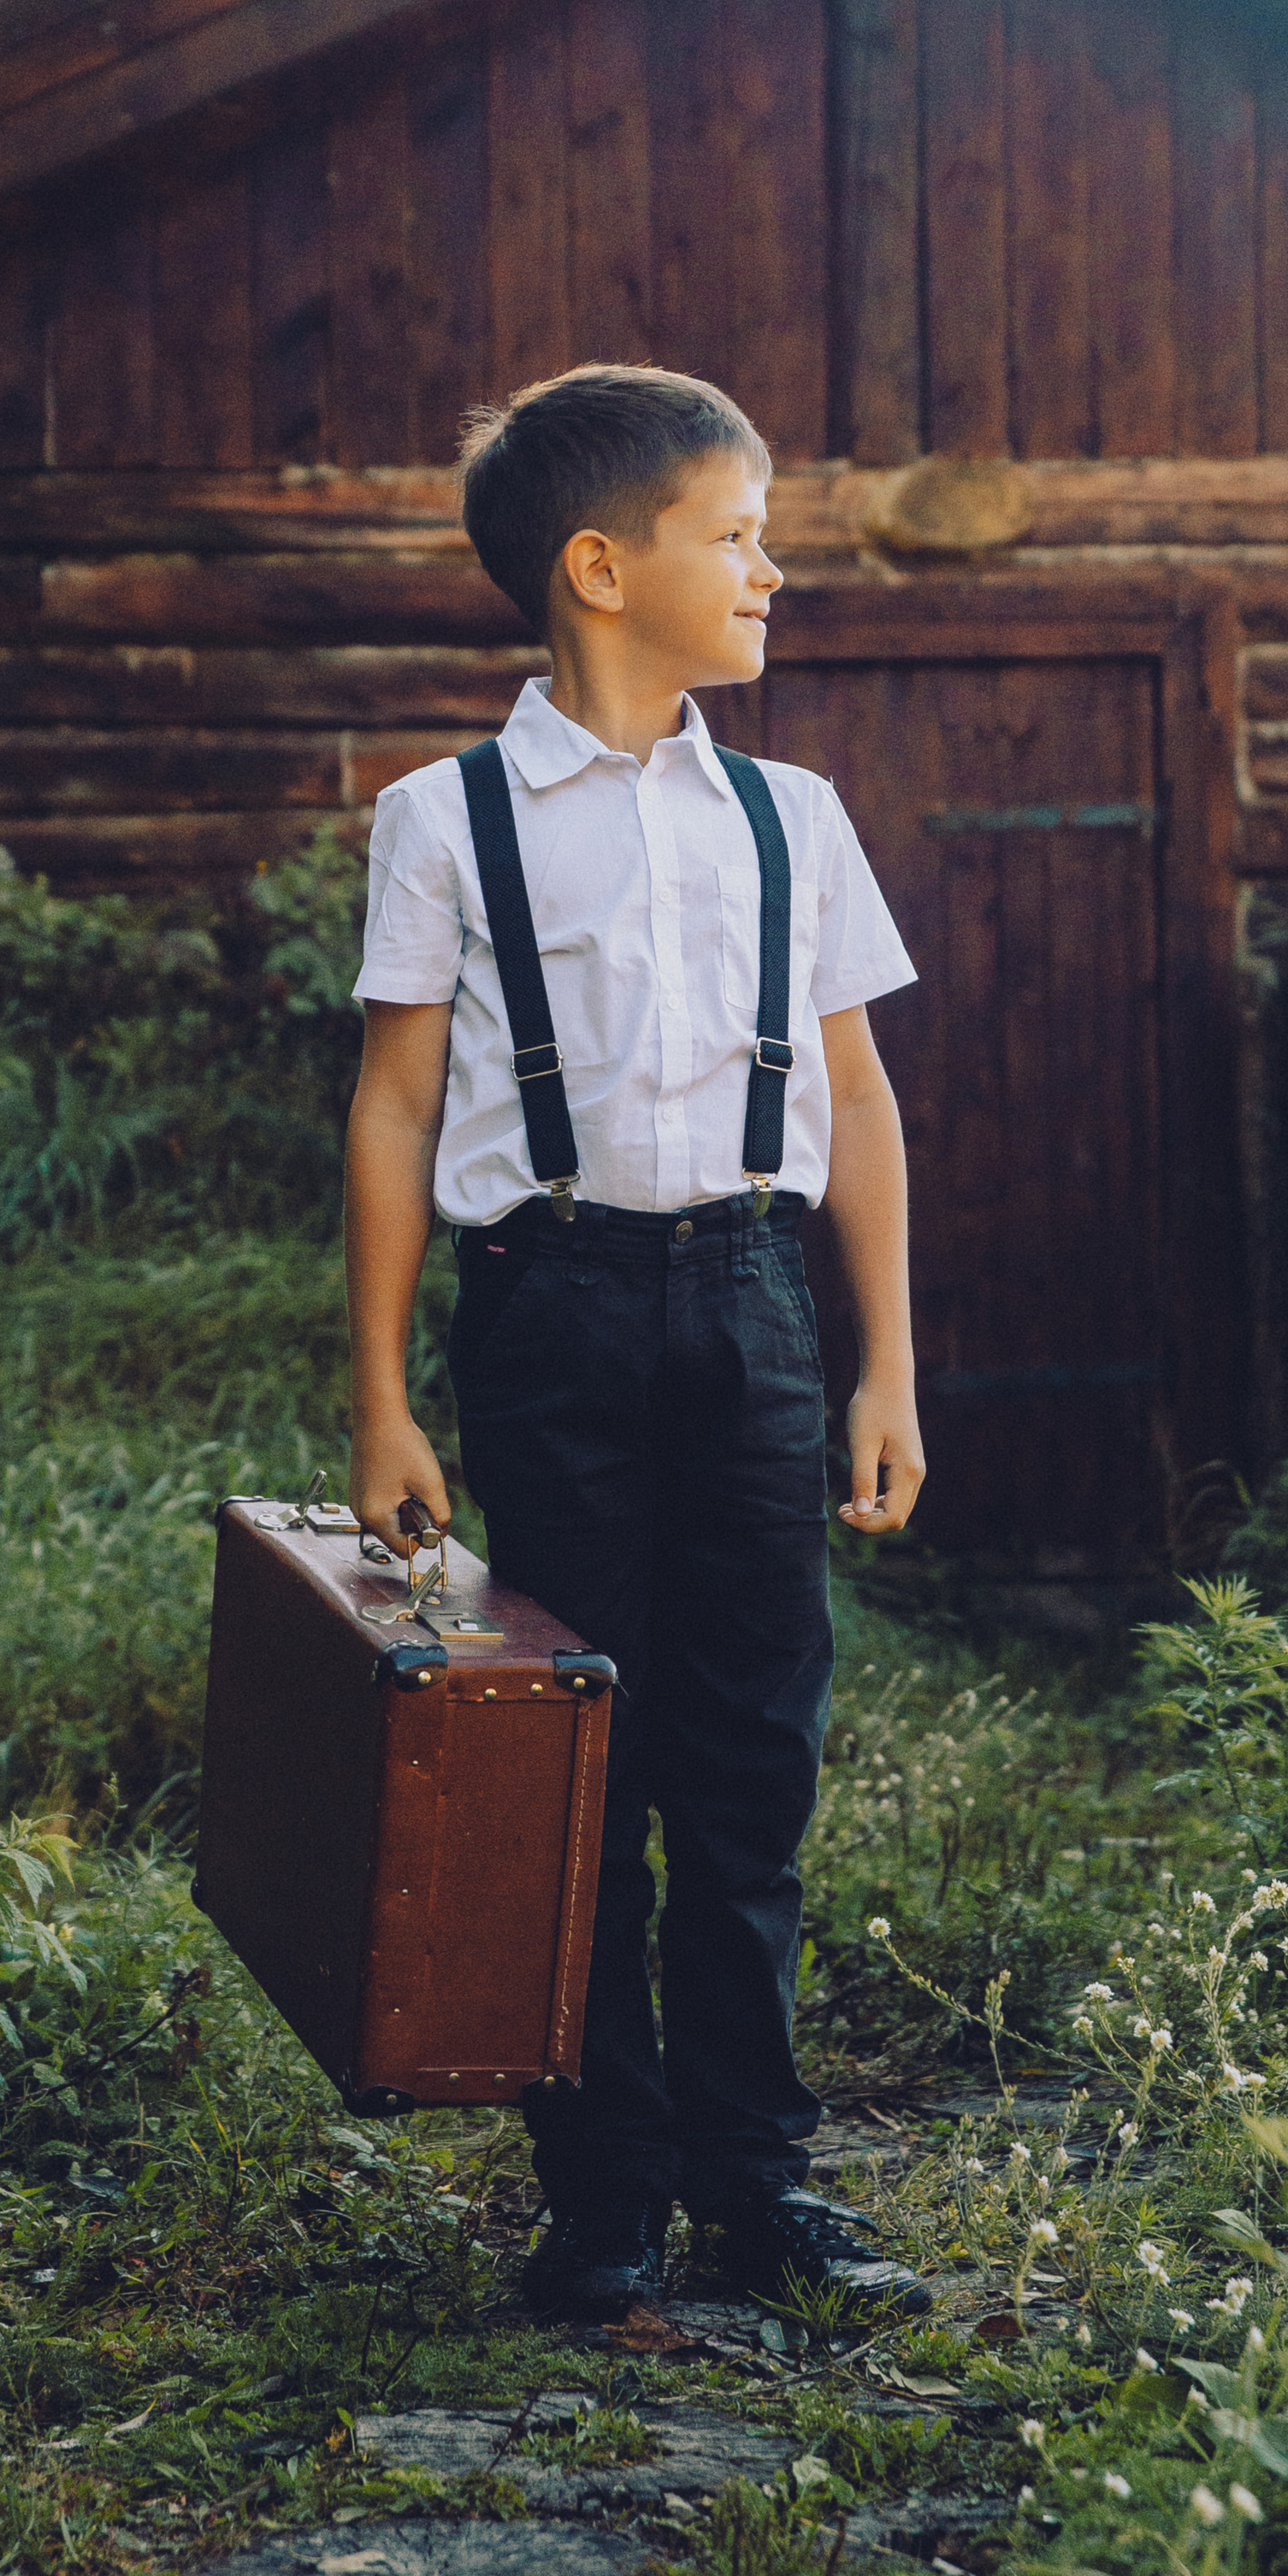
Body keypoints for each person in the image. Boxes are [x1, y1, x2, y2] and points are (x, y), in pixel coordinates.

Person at [344, 362, 927, 2325]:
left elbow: (857, 1106)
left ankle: (759, 2183)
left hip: (755, 1308)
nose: (773, 570)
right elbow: (395, 1114)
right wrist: (379, 1392)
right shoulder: (443, 821)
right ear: (602, 568)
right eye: (737, 535)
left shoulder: (793, 818)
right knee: (573, 1753)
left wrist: (883, 1364)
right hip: (552, 1314)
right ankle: (600, 2193)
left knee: (750, 1755)